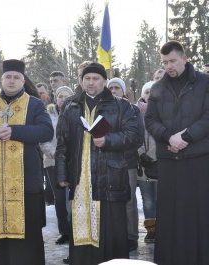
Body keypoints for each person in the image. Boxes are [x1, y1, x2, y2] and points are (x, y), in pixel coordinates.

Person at [0, 59, 54, 265]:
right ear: (1, 80)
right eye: (8, 77)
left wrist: (14, 131)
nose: (12, 81)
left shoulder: (33, 103)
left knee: (30, 234)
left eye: (17, 77)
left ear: (23, 81)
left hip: (27, 181)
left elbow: (46, 131)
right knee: (2, 238)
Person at [55, 62, 140, 264]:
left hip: (110, 176)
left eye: (95, 78)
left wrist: (108, 141)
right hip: (80, 177)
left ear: (104, 81)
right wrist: (61, 173)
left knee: (111, 229)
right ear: (81, 80)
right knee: (82, 228)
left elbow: (135, 136)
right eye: (87, 78)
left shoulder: (121, 105)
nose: (91, 82)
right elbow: (62, 143)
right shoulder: (71, 106)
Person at [145, 40, 209, 265]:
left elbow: (207, 117)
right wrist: (167, 137)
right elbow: (150, 120)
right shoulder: (158, 87)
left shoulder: (204, 82)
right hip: (169, 160)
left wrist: (185, 137)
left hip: (198, 160)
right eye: (165, 62)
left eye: (172, 61)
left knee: (197, 215)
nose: (169, 66)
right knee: (171, 217)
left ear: (184, 58)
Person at [107, 77, 144, 252]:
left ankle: (131, 237)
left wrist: (119, 153)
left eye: (117, 88)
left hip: (126, 162)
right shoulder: (103, 108)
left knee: (129, 201)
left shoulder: (133, 109)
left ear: (123, 91)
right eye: (111, 87)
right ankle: (113, 235)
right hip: (105, 163)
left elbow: (137, 137)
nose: (113, 90)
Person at [40, 86, 74, 247]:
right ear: (55, 98)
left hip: (73, 162)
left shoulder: (76, 113)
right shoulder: (47, 116)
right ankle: (64, 232)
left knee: (73, 198)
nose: (63, 99)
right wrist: (56, 154)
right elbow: (43, 140)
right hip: (53, 162)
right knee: (60, 199)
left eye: (67, 96)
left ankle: (75, 230)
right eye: (60, 96)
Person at [137, 81, 157, 244]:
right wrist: (141, 155)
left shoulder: (163, 111)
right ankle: (151, 229)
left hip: (159, 161)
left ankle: (164, 227)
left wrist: (152, 155)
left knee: (161, 196)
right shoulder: (135, 113)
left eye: (153, 91)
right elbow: (134, 135)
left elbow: (164, 135)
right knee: (147, 198)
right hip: (142, 164)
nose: (149, 94)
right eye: (147, 92)